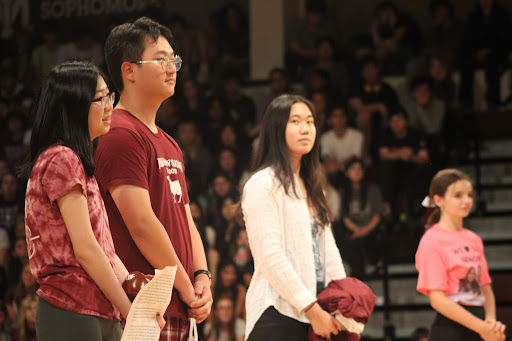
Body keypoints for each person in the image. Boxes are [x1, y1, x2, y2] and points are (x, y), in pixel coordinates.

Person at [20, 60, 163, 341]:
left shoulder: (78, 162)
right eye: (100, 99)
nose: (110, 105)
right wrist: (128, 309)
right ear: (74, 108)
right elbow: (85, 249)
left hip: (99, 309)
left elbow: (103, 250)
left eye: (109, 96)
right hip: (70, 307)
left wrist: (137, 302)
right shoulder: (61, 158)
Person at [94, 17, 212, 340]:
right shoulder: (119, 133)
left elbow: (186, 220)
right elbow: (141, 225)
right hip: (143, 308)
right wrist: (188, 289)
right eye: (160, 59)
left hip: (179, 306)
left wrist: (202, 277)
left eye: (173, 59)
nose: (171, 67)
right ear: (128, 71)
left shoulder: (169, 142)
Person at [240, 94, 347, 340]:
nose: (305, 129)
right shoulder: (262, 183)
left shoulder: (313, 185)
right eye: (295, 121)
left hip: (316, 310)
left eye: (310, 122)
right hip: (277, 311)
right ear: (277, 129)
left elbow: (328, 250)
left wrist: (343, 301)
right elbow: (270, 256)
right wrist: (309, 307)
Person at [415, 169, 506, 341]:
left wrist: (491, 322)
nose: (467, 201)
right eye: (458, 195)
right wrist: (481, 328)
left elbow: (485, 286)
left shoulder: (474, 239)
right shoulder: (432, 240)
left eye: (469, 195)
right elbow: (437, 299)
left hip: (480, 324)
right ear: (438, 200)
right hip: (452, 327)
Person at [335, 158, 386, 279]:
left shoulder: (373, 189)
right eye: (353, 169)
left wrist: (364, 230)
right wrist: (356, 230)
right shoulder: (342, 192)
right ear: (347, 172)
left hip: (371, 231)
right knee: (350, 244)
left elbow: (377, 215)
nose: (357, 172)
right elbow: (344, 217)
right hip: (351, 232)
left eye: (359, 169)